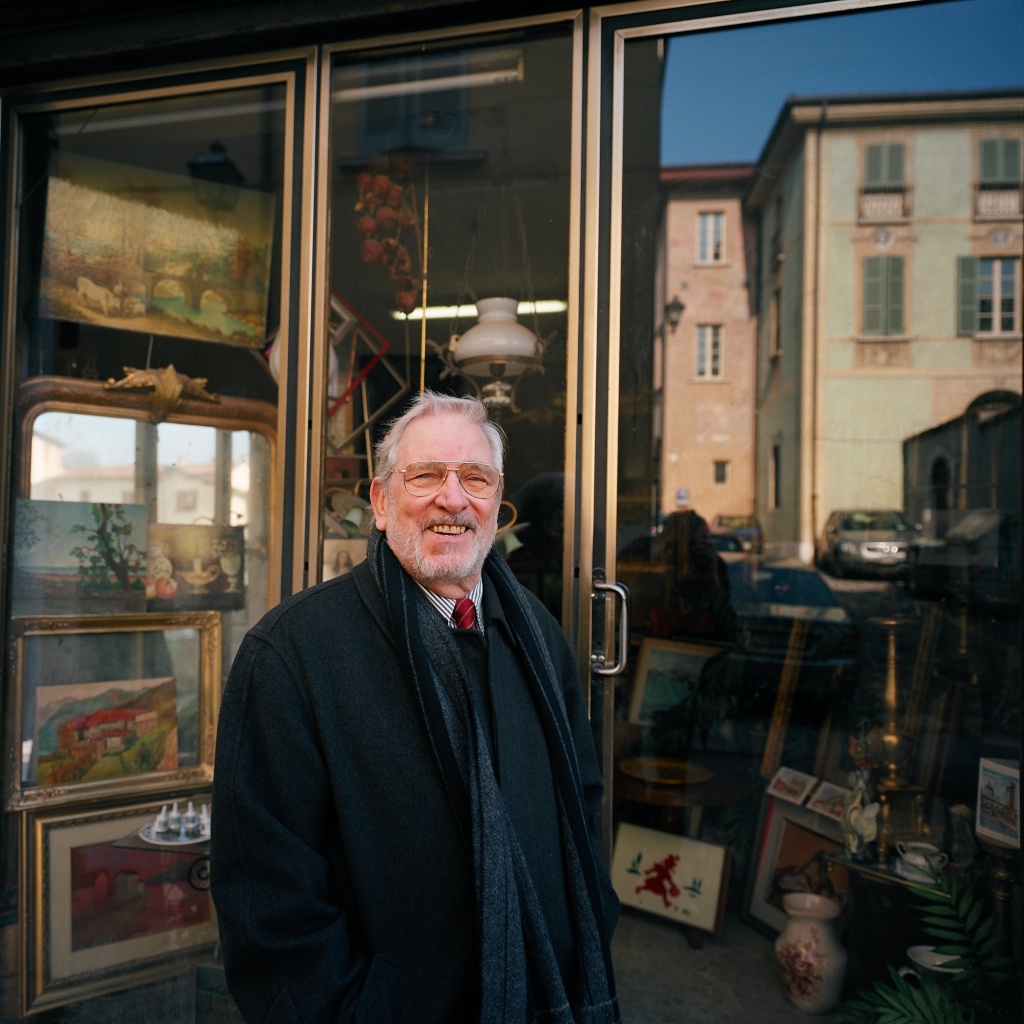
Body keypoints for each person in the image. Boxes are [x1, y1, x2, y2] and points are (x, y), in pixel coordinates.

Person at [210, 391, 621, 1024]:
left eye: (475, 479)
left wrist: (592, 916)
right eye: (426, 475)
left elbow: (582, 803)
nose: (453, 499)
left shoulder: (537, 634)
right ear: (380, 503)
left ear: (497, 504)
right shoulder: (293, 652)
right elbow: (266, 893)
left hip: (551, 998)